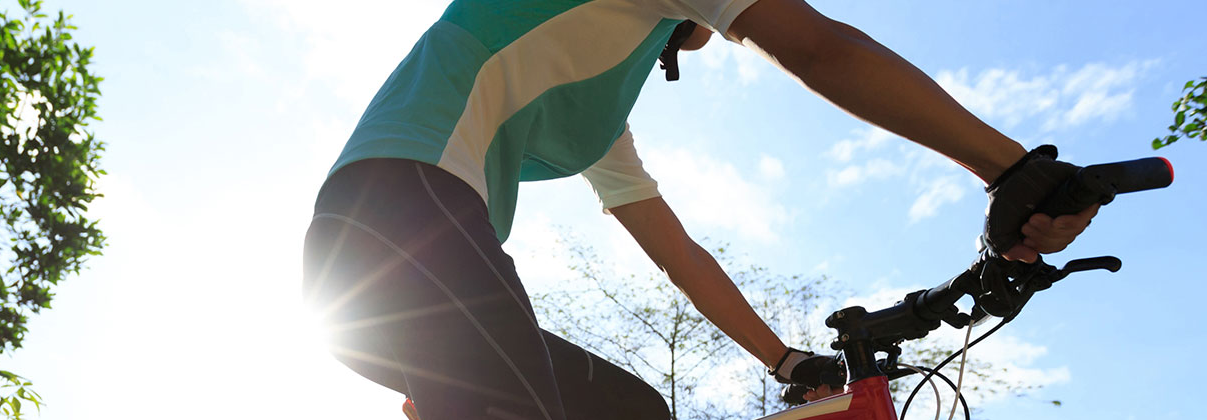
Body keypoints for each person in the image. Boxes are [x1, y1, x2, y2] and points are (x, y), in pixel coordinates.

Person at [301, 0, 1099, 418]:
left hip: (401, 267)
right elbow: (819, 48)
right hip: (396, 221)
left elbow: (679, 255)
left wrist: (785, 363)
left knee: (635, 413)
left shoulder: (600, 113)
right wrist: (1014, 169)